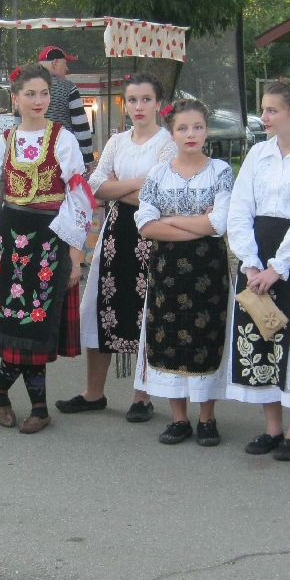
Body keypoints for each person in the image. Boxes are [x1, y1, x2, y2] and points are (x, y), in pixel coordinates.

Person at [0, 63, 94, 434]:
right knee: (16, 320)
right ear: (15, 99)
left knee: (37, 320)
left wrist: (76, 255)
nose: (38, 100)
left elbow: (77, 198)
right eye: (30, 94)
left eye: (44, 93)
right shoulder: (5, 141)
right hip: (10, 240)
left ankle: (2, 391)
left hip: (49, 239)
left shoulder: (63, 138)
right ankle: (37, 407)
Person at [57, 72, 176, 422]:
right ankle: (93, 393)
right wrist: (137, 184)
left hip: (151, 235)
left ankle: (142, 396)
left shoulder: (168, 143)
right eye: (133, 100)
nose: (139, 107)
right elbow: (95, 186)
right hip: (114, 234)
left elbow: (159, 195)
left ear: (158, 103)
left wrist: (118, 186)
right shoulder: (117, 141)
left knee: (145, 309)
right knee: (101, 306)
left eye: (146, 99)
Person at [224, 79, 290, 462]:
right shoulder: (258, 154)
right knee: (260, 337)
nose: (264, 116)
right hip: (256, 256)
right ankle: (272, 427)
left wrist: (277, 266)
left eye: (272, 110)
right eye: (263, 109)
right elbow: (240, 208)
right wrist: (251, 262)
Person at [133, 99, 233, 446]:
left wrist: (171, 219)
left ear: (206, 131)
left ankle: (207, 417)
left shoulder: (220, 171)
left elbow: (219, 223)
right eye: (183, 128)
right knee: (169, 337)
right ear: (172, 133)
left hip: (208, 268)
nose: (191, 134)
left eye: (198, 127)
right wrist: (198, 225)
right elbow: (146, 225)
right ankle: (179, 419)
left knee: (206, 337)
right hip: (167, 270)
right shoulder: (158, 173)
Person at [39, 46, 95, 170]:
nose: (67, 69)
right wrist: (88, 159)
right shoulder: (68, 88)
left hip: (33, 153)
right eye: (65, 64)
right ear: (55, 63)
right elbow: (81, 127)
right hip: (64, 157)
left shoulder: (25, 87)